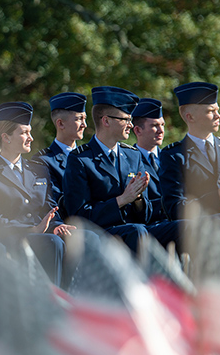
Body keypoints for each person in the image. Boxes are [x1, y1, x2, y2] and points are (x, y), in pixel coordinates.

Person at [0, 102, 79, 286]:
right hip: (9, 237)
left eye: (30, 132)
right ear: (6, 137)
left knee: (77, 240)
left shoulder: (38, 170)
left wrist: (57, 225)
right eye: (24, 133)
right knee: (52, 243)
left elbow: (49, 207)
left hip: (42, 235)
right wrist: (29, 230)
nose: (30, 137)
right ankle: (54, 304)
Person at [64, 87, 154, 252]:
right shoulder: (81, 159)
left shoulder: (132, 155)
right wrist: (122, 200)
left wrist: (138, 198)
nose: (131, 125)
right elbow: (79, 216)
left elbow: (145, 217)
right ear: (106, 121)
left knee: (181, 227)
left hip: (135, 230)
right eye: (126, 119)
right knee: (138, 232)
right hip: (100, 235)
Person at [160, 82, 220, 233]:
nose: (219, 116)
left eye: (218, 110)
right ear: (190, 117)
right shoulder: (174, 156)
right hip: (204, 230)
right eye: (211, 111)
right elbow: (176, 210)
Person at [32, 92, 87, 219]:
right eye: (79, 119)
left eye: (85, 119)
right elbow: (55, 202)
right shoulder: (44, 161)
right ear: (61, 124)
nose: (85, 125)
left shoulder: (88, 156)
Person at [132, 98, 168, 224]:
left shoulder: (170, 157)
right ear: (137, 130)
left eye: (162, 125)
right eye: (154, 125)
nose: (161, 130)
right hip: (151, 226)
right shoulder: (130, 160)